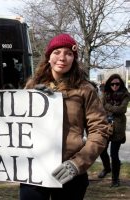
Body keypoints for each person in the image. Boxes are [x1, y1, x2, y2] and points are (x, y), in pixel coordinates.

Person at [20, 33, 112, 200]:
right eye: (57, 52)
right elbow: (13, 122)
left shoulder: (85, 89)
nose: (62, 57)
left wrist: (77, 164)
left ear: (73, 59)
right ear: (48, 57)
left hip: (70, 173)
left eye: (69, 53)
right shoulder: (32, 86)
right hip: (34, 170)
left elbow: (100, 130)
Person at [97, 74, 130, 187]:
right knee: (101, 150)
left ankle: (115, 180)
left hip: (118, 128)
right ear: (109, 84)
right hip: (105, 126)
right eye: (112, 84)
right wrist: (107, 107)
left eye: (117, 84)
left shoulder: (125, 95)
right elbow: (100, 107)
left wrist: (107, 106)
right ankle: (107, 168)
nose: (115, 86)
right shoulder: (105, 94)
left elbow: (122, 109)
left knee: (114, 154)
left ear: (120, 84)